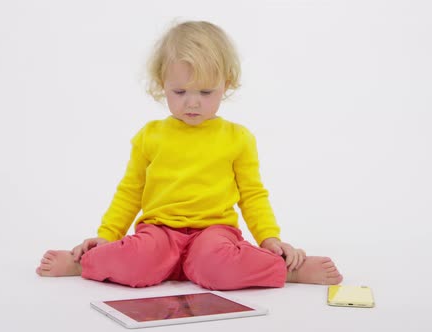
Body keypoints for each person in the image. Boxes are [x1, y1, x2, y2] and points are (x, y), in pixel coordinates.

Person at [37, 21, 343, 290]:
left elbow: (252, 195)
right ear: (162, 85)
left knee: (220, 265)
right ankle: (85, 263)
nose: (192, 103)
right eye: (180, 92)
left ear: (227, 83)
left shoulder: (238, 138)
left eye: (206, 92)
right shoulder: (150, 136)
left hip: (214, 234)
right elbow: (130, 192)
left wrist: (270, 239)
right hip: (158, 232)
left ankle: (287, 270)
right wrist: (106, 236)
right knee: (136, 258)